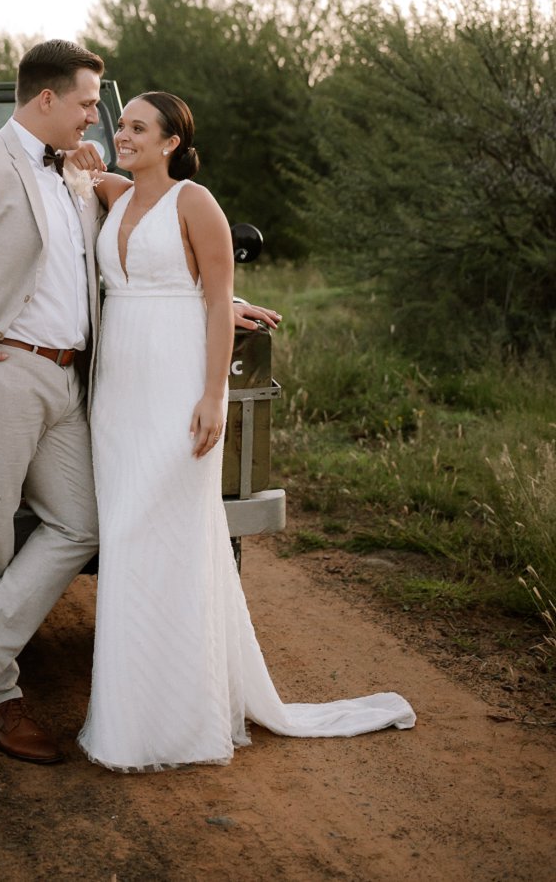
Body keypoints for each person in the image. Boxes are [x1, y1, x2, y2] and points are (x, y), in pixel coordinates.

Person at [0, 41, 277, 765]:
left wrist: (222, 300)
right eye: (90, 104)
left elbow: (148, 251)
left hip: (73, 382)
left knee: (84, 522)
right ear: (48, 99)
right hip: (1, 372)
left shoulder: (77, 175)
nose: (99, 118)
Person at [76, 90, 416, 771]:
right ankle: (131, 714)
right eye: (121, 125)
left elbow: (211, 299)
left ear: (172, 142)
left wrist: (214, 397)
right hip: (118, 390)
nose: (124, 135)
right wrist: (79, 155)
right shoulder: (113, 192)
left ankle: (178, 721)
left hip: (178, 385)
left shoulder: (196, 201)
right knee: (127, 537)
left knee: (170, 538)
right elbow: (78, 172)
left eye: (138, 127)